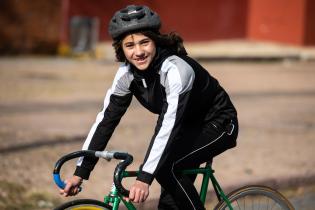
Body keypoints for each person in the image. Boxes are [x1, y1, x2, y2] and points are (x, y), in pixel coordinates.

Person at [59, 5, 238, 210]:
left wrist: (144, 177)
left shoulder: (175, 70)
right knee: (168, 192)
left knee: (165, 169)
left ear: (156, 41)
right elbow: (106, 120)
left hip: (219, 123)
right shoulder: (126, 74)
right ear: (121, 49)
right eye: (130, 45)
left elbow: (167, 126)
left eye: (145, 42)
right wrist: (80, 173)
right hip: (183, 128)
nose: (138, 52)